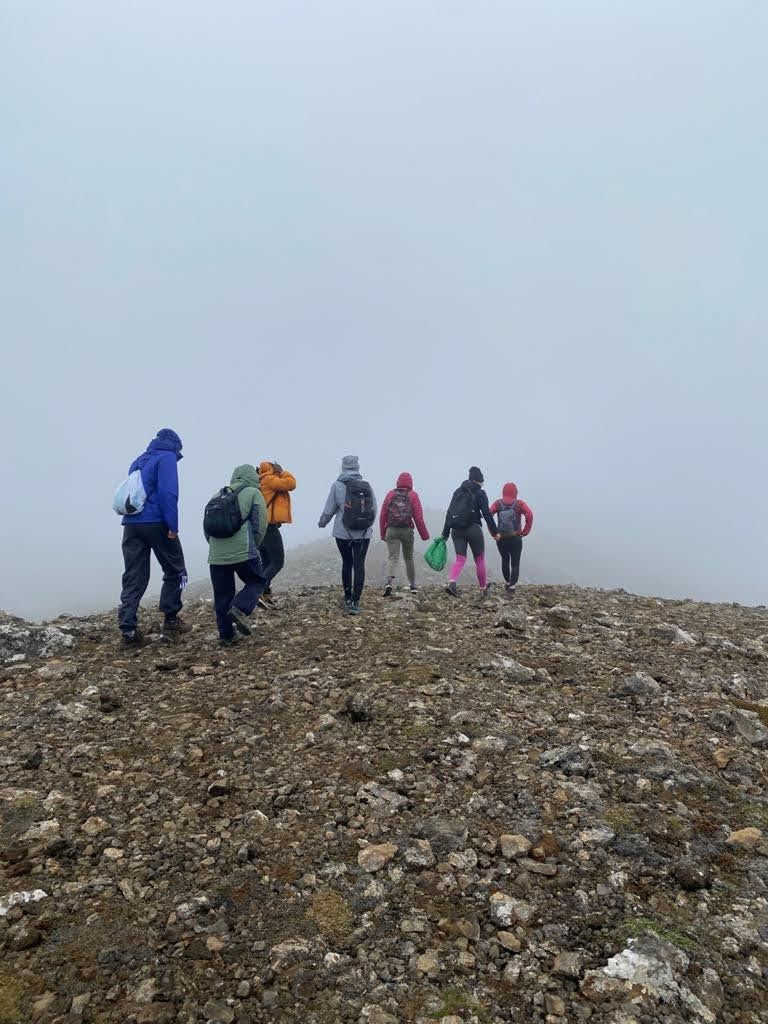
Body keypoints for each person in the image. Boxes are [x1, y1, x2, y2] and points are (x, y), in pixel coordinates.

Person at [117, 428, 190, 645]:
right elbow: (168, 492)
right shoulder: (166, 458)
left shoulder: (139, 460)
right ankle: (171, 618)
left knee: (134, 576)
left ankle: (128, 631)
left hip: (131, 524)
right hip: (156, 522)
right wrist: (173, 526)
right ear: (175, 446)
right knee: (177, 571)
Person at [206, 465, 268, 646]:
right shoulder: (254, 493)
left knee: (222, 594)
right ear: (253, 477)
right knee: (257, 581)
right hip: (244, 551)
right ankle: (240, 608)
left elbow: (207, 527)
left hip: (216, 556)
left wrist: (215, 548)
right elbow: (260, 523)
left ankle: (226, 636)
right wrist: (255, 545)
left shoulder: (217, 495)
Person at [318, 456, 377, 615]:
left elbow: (329, 509)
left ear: (343, 467)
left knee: (347, 563)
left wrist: (322, 522)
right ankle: (356, 603)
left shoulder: (337, 485)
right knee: (359, 565)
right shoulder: (366, 486)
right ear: (357, 467)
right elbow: (374, 509)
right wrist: (367, 526)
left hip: (343, 533)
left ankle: (348, 597)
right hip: (363, 533)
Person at [441, 466, 499, 598]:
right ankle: (483, 589)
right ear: (479, 481)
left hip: (456, 530)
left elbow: (449, 512)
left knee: (460, 559)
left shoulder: (458, 491)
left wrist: (445, 533)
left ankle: (452, 583)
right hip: (473, 528)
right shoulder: (480, 493)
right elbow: (486, 514)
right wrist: (495, 532)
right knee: (479, 559)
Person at [379, 472, 430, 595]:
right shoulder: (413, 495)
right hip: (407, 530)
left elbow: (383, 515)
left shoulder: (390, 494)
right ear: (411, 483)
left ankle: (389, 583)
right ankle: (412, 585)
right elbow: (418, 517)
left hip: (391, 529)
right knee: (409, 558)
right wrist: (424, 535)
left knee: (393, 557)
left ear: (398, 482)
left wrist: (382, 533)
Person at [258, 461, 297, 604]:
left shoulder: (261, 481)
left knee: (267, 562)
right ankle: (256, 590)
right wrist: (282, 472)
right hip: (269, 527)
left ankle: (265, 595)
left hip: (261, 527)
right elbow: (291, 484)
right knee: (277, 562)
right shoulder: (269, 479)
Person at [490, 482, 534, 596]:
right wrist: (525, 532)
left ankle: (507, 582)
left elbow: (489, 515)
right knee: (515, 562)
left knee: (505, 560)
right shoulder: (519, 503)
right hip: (515, 538)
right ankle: (512, 588)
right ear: (515, 492)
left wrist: (494, 533)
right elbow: (529, 515)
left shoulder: (498, 503)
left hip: (501, 538)